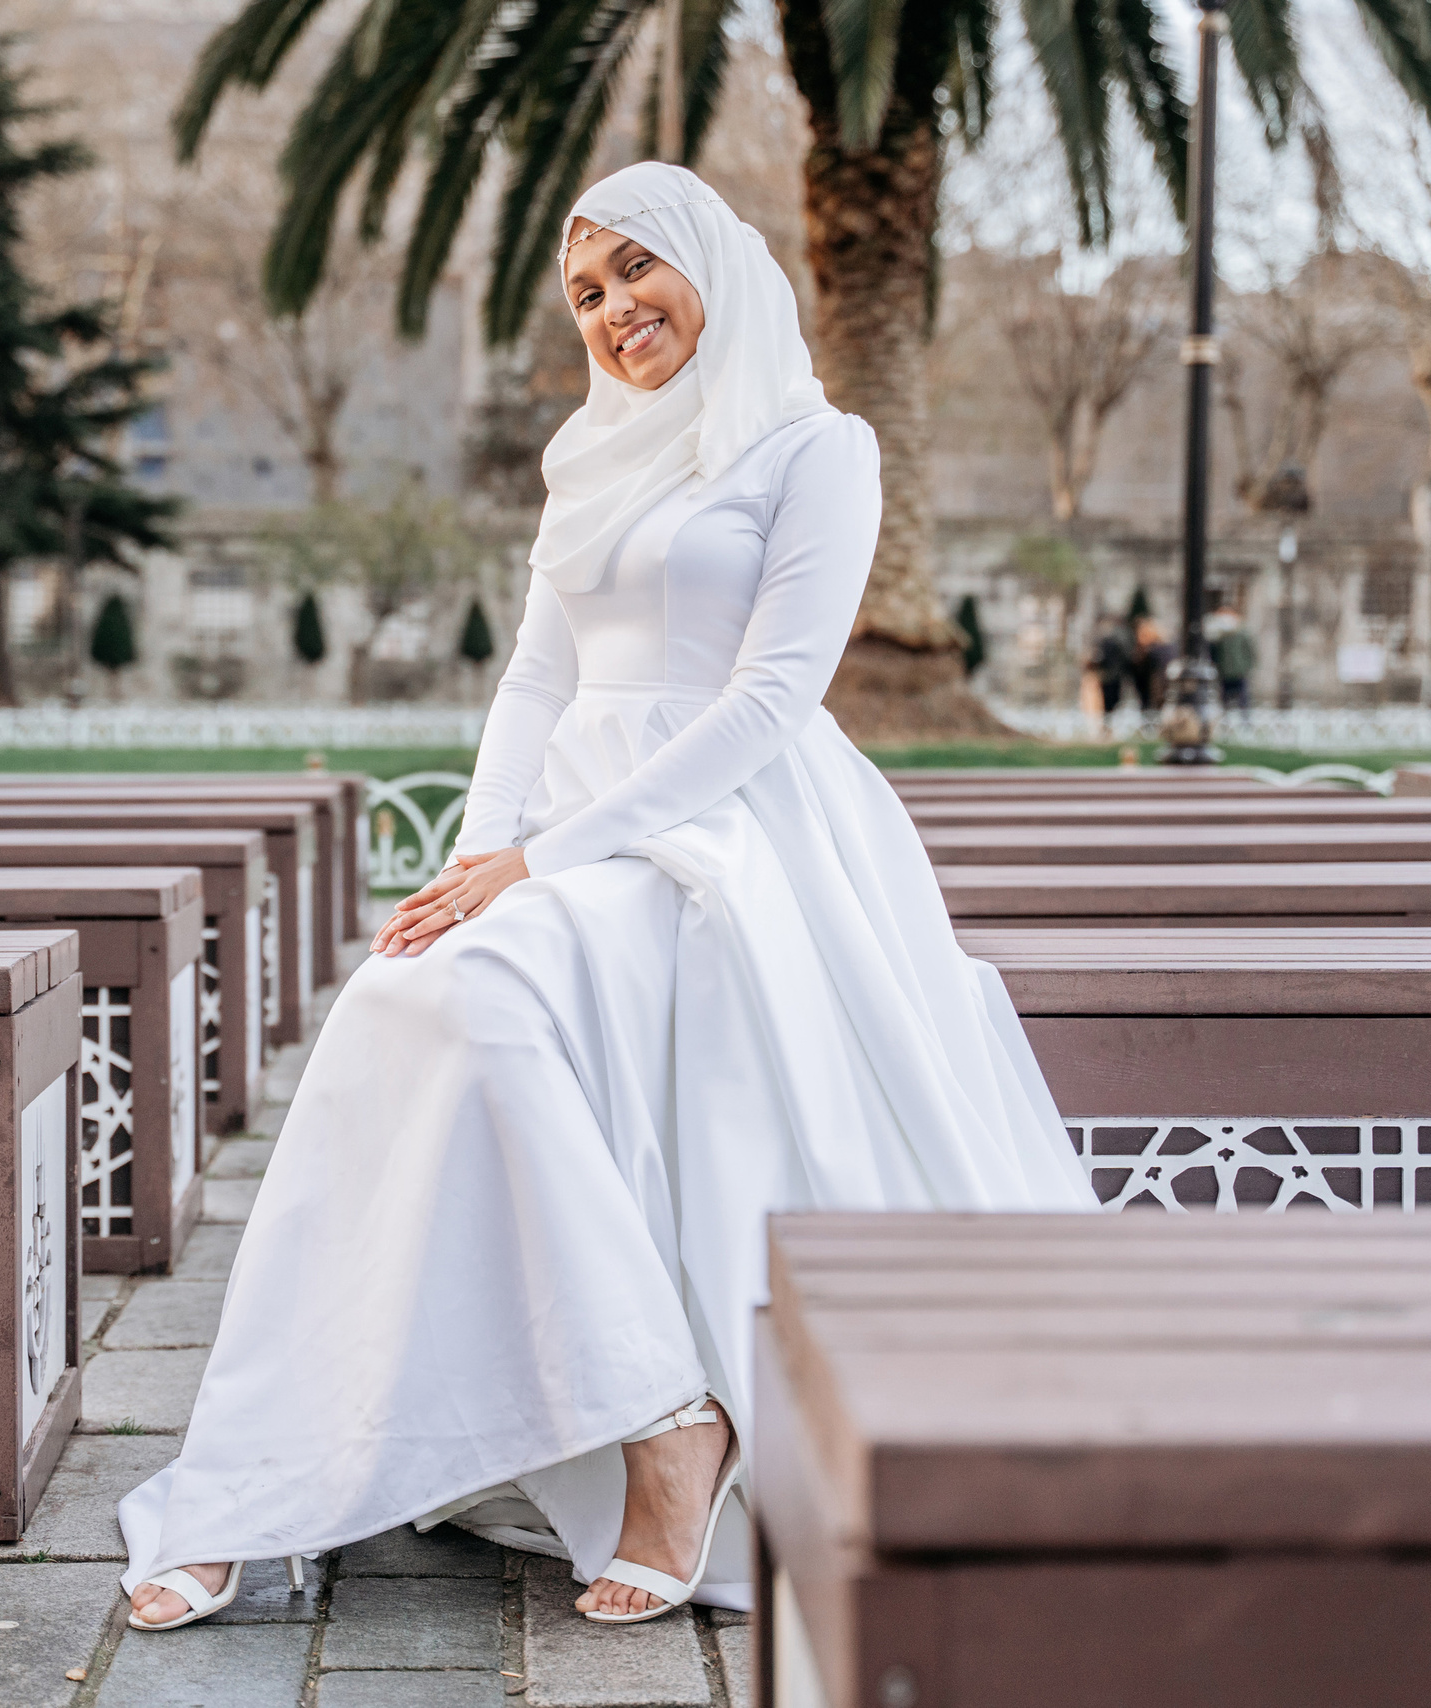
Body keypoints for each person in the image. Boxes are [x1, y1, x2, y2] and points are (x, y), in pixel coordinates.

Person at [116, 163, 1093, 1635]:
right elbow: (539, 675)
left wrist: (545, 863)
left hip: (741, 837)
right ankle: (265, 1479)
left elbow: (772, 699)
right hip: (570, 840)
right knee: (403, 997)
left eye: (641, 270)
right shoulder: (591, 454)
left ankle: (669, 1422)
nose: (617, 310)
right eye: (587, 292)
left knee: (489, 998)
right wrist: (478, 853)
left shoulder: (815, 446)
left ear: (711, 261)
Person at [1210, 605, 1255, 712]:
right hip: (1224, 672)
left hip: (1239, 672)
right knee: (1224, 700)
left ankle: (1245, 721)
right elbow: (1214, 653)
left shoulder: (1242, 633)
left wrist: (1246, 668)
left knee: (1243, 700)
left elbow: (1250, 652)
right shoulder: (1218, 635)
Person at [1089, 615, 1137, 717]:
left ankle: (1109, 719)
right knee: (1114, 701)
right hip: (1115, 676)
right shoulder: (1117, 642)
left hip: (1109, 676)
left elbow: (1101, 659)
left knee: (1108, 702)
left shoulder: (1107, 643)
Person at [1132, 614, 1176, 711]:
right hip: (1166, 698)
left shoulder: (1154, 653)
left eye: (1143, 634)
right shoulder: (1167, 649)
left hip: (1156, 702)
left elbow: (1151, 682)